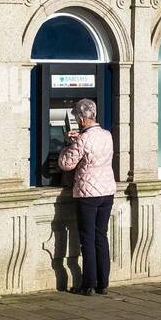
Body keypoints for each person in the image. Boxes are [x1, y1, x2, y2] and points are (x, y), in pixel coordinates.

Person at [55, 98, 116, 296]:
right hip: (107, 192)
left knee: (87, 238)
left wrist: (67, 144)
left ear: (81, 118)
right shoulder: (107, 135)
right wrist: (77, 140)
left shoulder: (83, 139)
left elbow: (66, 163)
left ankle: (88, 284)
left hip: (87, 194)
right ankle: (103, 283)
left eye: (76, 117)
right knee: (101, 236)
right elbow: (94, 154)